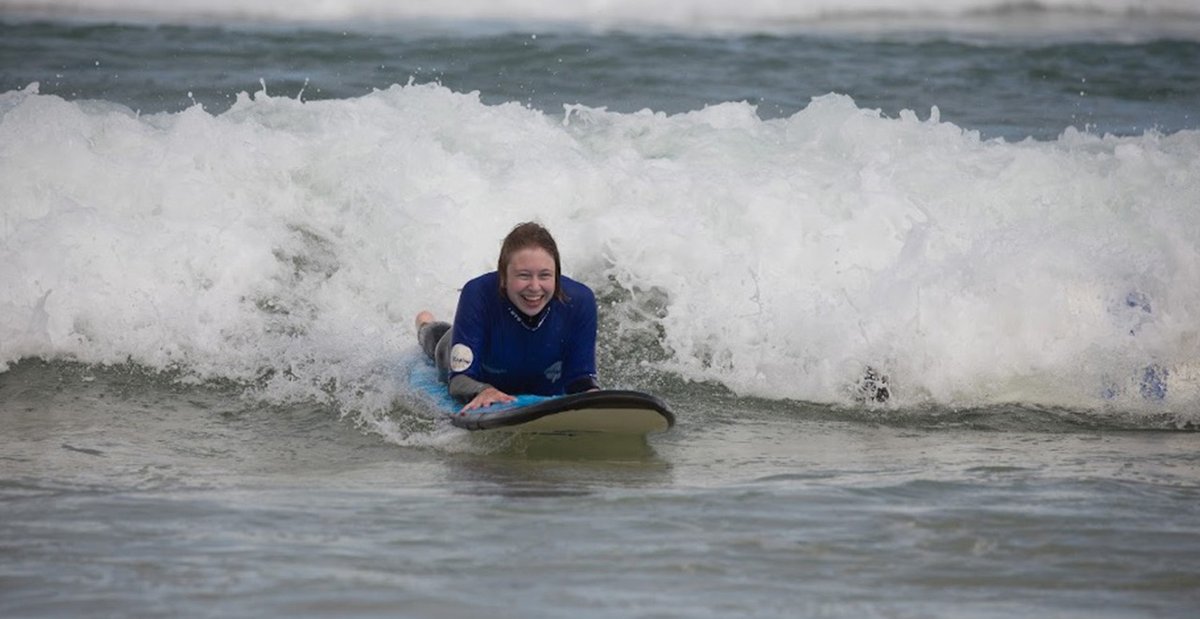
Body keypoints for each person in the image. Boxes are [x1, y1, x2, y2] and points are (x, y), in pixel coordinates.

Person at [416, 222, 599, 412]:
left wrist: (592, 394)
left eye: (545, 275)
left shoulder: (580, 300)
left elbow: (580, 377)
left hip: (533, 377)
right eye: (524, 275)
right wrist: (483, 390)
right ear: (503, 277)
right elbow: (459, 380)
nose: (535, 287)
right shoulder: (478, 293)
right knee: (436, 337)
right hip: (457, 347)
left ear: (557, 276)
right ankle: (424, 323)